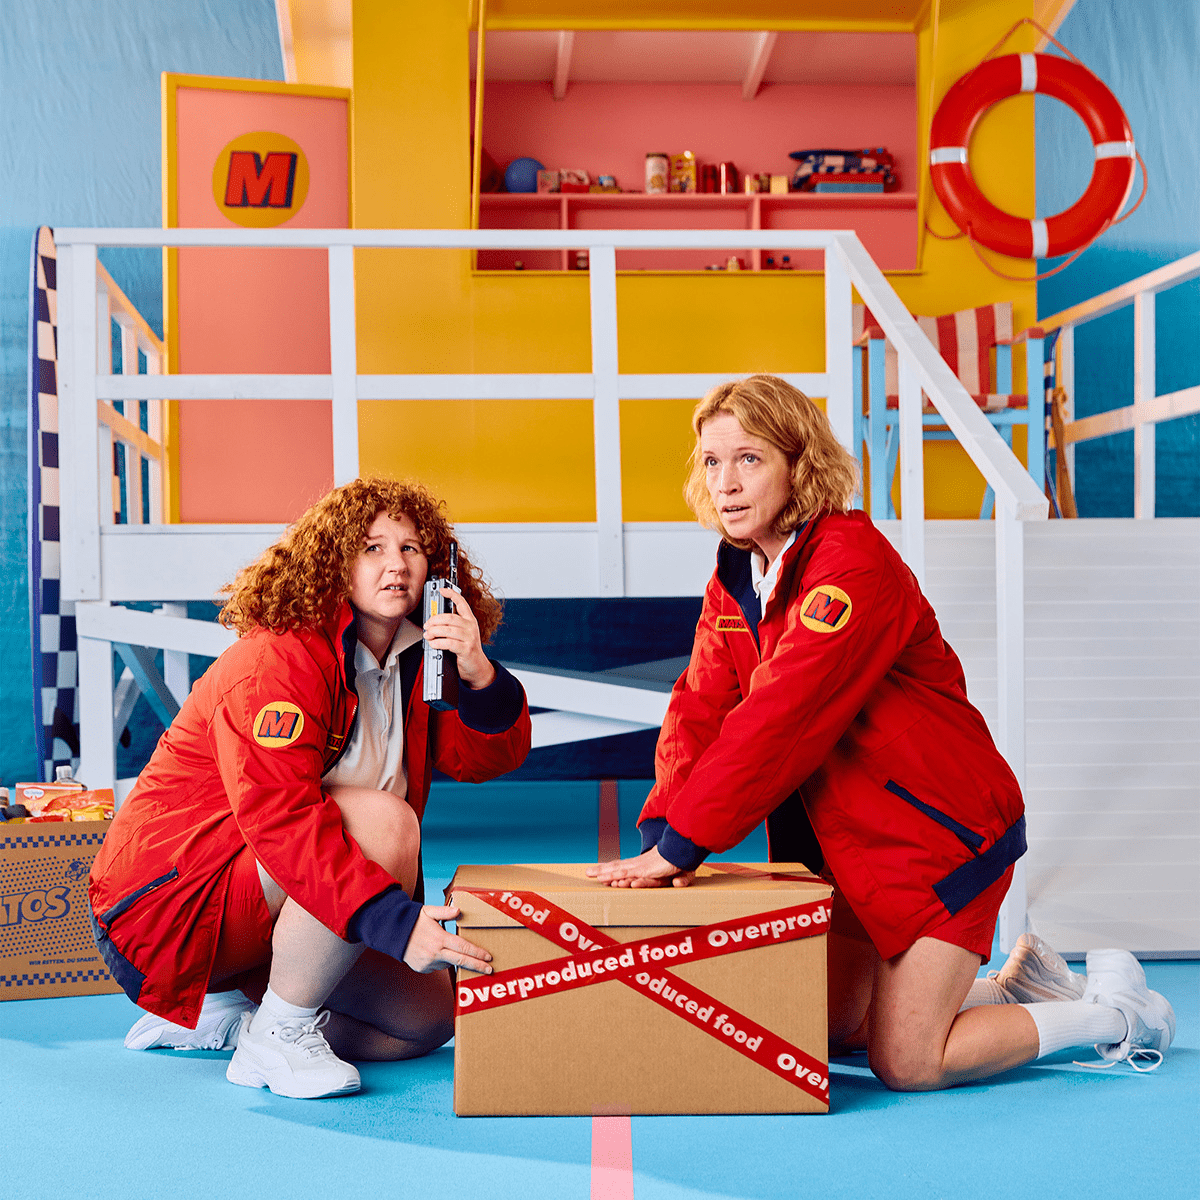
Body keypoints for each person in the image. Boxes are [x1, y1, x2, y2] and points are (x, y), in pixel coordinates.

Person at [588, 375, 1175, 1090]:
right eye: (712, 462)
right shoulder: (738, 575)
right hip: (850, 844)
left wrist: (687, 843)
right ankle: (1028, 986)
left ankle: (1113, 1014)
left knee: (908, 1061)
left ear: (797, 465)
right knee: (828, 1030)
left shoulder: (851, 564)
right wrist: (659, 837)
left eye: (749, 459)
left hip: (938, 836)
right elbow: (698, 712)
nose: (726, 483)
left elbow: (780, 717)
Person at [89, 478, 530, 1099]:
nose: (396, 565)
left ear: (438, 569)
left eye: (412, 548)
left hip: (270, 903)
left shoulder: (415, 658)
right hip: (166, 909)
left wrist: (479, 673)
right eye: (372, 548)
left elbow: (485, 758)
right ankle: (279, 1032)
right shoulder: (281, 657)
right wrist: (394, 923)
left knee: (427, 1020)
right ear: (333, 561)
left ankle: (237, 1019)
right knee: (386, 822)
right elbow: (281, 820)